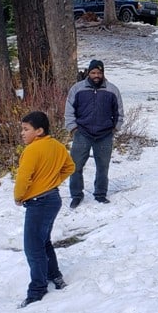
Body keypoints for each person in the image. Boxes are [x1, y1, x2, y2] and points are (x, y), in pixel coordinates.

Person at [13, 111, 75, 308]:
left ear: (39, 131)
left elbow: (23, 178)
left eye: (26, 129)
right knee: (43, 241)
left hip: (39, 202)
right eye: (22, 129)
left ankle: (37, 289)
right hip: (53, 199)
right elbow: (70, 167)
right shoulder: (57, 146)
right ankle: (54, 276)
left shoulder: (32, 150)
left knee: (33, 247)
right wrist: (52, 182)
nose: (22, 133)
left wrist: (18, 196)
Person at [65, 59, 124, 208]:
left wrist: (115, 128)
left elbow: (119, 112)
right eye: (93, 72)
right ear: (88, 73)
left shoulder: (112, 90)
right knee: (75, 166)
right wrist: (73, 128)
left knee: (103, 167)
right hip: (82, 133)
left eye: (99, 72)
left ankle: (100, 194)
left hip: (104, 135)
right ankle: (76, 195)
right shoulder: (77, 89)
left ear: (103, 73)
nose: (96, 75)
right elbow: (69, 110)